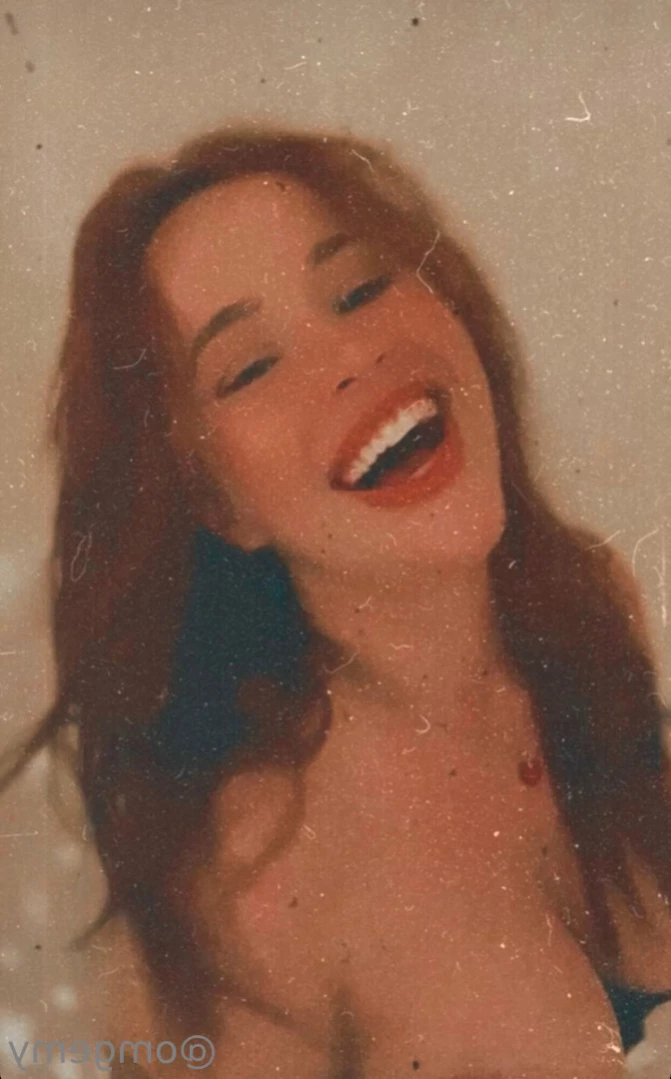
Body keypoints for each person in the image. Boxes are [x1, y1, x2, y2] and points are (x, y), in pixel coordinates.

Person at [2, 123, 671, 1078]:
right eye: (250, 367)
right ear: (215, 504)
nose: (353, 358)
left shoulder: (589, 608)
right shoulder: (246, 891)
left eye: (359, 289)